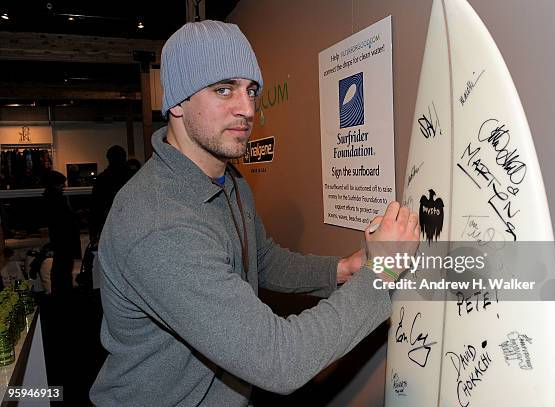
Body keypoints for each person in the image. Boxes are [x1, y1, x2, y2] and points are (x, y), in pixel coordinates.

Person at [90, 21, 420, 406]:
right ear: (177, 102)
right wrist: (384, 272)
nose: (246, 108)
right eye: (223, 89)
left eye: (251, 90)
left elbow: (258, 259)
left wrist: (340, 270)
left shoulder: (229, 180)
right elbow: (281, 361)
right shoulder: (158, 224)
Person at [42, 170, 81, 295]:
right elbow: (65, 221)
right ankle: (64, 293)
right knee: (63, 269)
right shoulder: (57, 200)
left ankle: (61, 292)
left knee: (60, 268)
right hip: (64, 240)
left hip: (59, 240)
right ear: (55, 185)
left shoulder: (49, 198)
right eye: (61, 184)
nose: (64, 186)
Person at [89, 145, 132, 241]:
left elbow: (95, 207)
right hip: (130, 224)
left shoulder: (102, 179)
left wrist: (93, 233)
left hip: (108, 223)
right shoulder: (133, 177)